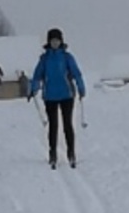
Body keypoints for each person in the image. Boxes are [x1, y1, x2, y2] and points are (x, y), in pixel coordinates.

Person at [28, 27, 86, 168]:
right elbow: (37, 76)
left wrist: (81, 88)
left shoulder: (67, 57)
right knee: (53, 126)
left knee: (67, 125)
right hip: (50, 96)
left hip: (66, 95)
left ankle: (71, 153)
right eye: (53, 40)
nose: (55, 43)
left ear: (61, 41)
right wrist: (33, 89)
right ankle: (52, 153)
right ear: (49, 42)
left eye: (57, 40)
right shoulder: (44, 59)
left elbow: (76, 73)